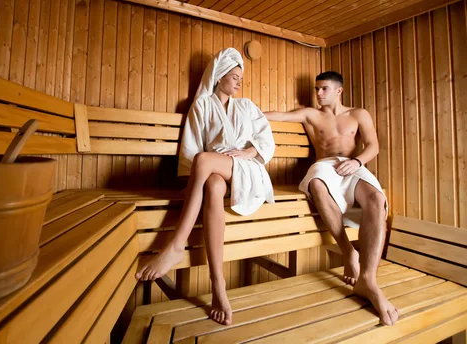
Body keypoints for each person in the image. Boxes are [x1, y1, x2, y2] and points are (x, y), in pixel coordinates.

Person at [135, 48, 276, 325]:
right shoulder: (201, 106)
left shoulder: (246, 106)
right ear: (219, 76)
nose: (238, 82)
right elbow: (192, 145)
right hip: (216, 173)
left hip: (247, 170)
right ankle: (217, 284)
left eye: (241, 79)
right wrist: (195, 183)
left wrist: (248, 153)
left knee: (204, 160)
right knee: (211, 184)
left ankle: (176, 245)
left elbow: (265, 139)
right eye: (233, 77)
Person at [263, 70, 398, 326]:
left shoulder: (358, 114)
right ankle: (348, 252)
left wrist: (357, 161)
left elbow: (373, 145)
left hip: (352, 164)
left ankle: (368, 279)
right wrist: (236, 107)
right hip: (324, 166)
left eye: (323, 88)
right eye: (316, 89)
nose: (318, 93)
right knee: (315, 182)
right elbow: (274, 115)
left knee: (377, 200)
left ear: (339, 90)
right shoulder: (310, 114)